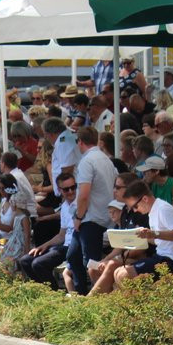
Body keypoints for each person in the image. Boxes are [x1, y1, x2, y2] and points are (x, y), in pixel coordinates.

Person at [70, 126, 117, 295]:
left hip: (91, 218)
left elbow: (83, 194)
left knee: (90, 263)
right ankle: (81, 294)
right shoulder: (106, 159)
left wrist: (78, 216)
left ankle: (98, 298)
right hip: (103, 216)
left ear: (80, 142)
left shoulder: (87, 161)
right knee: (73, 256)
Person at [18, 172, 77, 286]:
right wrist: (44, 246)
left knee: (38, 264)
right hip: (63, 244)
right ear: (59, 191)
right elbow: (61, 234)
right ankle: (42, 291)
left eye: (73, 187)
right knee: (25, 260)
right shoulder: (65, 206)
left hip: (74, 246)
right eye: (66, 189)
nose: (70, 191)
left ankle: (54, 293)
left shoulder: (80, 203)